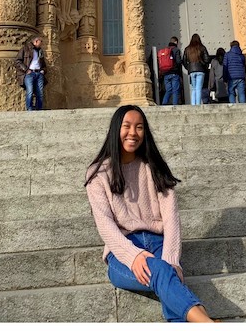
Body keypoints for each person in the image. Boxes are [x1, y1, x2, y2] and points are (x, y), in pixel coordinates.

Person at [84, 105, 216, 322]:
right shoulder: (98, 173)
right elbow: (105, 224)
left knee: (165, 270)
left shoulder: (155, 168)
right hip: (121, 250)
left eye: (139, 127)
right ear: (116, 129)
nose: (133, 133)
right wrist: (132, 256)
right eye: (126, 126)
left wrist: (172, 258)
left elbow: (171, 218)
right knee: (163, 272)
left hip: (158, 242)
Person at [15, 36, 47, 111]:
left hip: (39, 73)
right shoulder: (25, 49)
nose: (42, 43)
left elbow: (44, 64)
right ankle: (29, 109)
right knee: (30, 91)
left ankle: (39, 108)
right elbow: (17, 61)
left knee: (40, 92)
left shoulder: (40, 51)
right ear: (36, 41)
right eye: (41, 41)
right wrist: (26, 70)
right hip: (29, 73)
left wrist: (43, 71)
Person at [183, 34, 209, 106]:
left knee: (194, 88)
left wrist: (189, 67)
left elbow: (184, 61)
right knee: (198, 88)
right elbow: (207, 59)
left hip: (192, 71)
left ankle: (193, 104)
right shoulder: (202, 47)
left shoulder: (187, 49)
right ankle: (198, 104)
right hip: (200, 70)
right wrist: (203, 64)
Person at [158, 37, 183, 105]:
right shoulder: (176, 50)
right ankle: (175, 105)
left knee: (168, 90)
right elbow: (178, 61)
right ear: (176, 42)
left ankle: (164, 103)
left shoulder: (165, 50)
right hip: (174, 73)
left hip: (166, 73)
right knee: (175, 90)